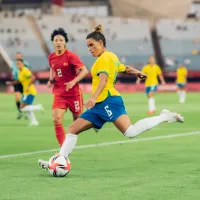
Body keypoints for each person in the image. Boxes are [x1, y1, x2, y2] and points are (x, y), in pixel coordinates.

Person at [38, 25, 184, 171]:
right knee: (72, 129)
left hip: (109, 101)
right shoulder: (111, 56)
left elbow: (103, 80)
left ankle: (164, 116)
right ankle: (58, 161)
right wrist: (137, 72)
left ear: (100, 43)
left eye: (92, 45)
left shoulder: (104, 59)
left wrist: (94, 97)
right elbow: (124, 68)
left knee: (130, 132)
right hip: (99, 105)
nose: (89, 49)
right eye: (88, 46)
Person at [47, 28, 88, 146]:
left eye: (61, 40)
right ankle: (62, 148)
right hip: (59, 93)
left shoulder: (71, 56)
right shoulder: (51, 57)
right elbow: (52, 67)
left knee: (78, 122)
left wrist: (73, 81)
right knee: (56, 118)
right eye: (56, 40)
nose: (58, 42)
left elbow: (84, 71)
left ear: (65, 42)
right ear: (53, 42)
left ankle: (93, 121)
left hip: (73, 93)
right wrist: (51, 79)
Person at [6, 59, 43, 126]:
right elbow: (19, 81)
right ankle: (34, 122)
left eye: (19, 64)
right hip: (25, 92)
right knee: (26, 108)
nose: (18, 65)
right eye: (17, 64)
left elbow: (33, 77)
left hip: (30, 91)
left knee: (22, 108)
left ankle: (38, 107)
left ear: (23, 64)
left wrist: (28, 86)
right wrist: (11, 83)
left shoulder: (25, 70)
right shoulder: (19, 72)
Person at [11, 52, 30, 119]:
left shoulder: (26, 64)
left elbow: (29, 73)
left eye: (19, 56)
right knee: (17, 97)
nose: (18, 57)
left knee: (25, 99)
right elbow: (13, 72)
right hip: (17, 82)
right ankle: (19, 111)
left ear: (22, 57)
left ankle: (27, 113)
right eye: (17, 56)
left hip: (24, 82)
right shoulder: (13, 64)